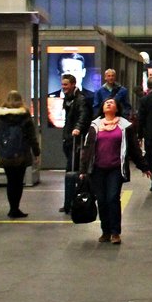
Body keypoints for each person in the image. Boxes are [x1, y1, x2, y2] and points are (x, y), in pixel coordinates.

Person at [79, 98, 150, 245]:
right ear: (103, 108)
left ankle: (115, 232)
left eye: (111, 103)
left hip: (116, 169)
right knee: (102, 200)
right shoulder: (95, 125)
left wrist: (143, 166)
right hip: (97, 169)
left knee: (112, 198)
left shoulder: (125, 126)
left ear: (117, 108)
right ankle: (105, 231)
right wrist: (83, 170)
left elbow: (134, 149)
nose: (108, 104)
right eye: (106, 103)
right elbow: (87, 149)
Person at [0, 90, 41, 219]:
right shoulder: (24, 115)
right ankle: (15, 208)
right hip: (22, 153)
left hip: (6, 154)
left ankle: (11, 208)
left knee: (10, 181)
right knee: (18, 182)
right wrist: (36, 152)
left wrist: (2, 148)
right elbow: (31, 137)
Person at [59, 73, 93, 214]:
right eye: (63, 84)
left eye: (66, 84)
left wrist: (78, 128)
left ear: (73, 84)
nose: (63, 87)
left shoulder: (80, 100)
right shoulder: (68, 99)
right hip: (69, 139)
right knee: (71, 171)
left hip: (76, 141)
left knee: (73, 171)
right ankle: (70, 201)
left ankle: (73, 201)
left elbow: (83, 116)